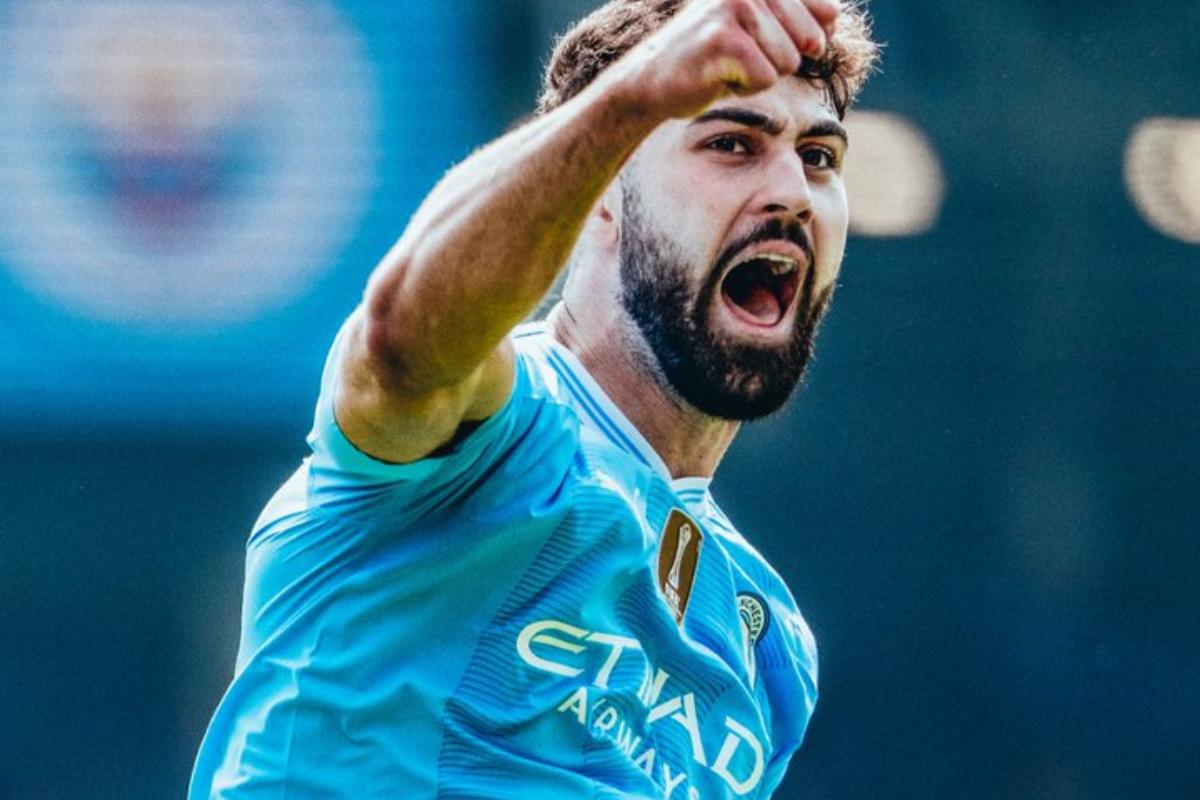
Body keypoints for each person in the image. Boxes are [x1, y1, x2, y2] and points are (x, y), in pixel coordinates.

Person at [189, 0, 879, 797]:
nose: (792, 191)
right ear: (597, 196)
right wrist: (634, 94)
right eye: (731, 144)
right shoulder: (487, 430)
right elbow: (404, 339)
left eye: (820, 156)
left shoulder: (770, 650)